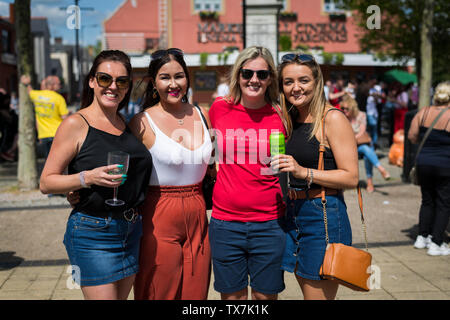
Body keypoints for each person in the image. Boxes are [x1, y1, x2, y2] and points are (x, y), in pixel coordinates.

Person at [39, 50, 153, 299]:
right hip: (92, 232)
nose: (113, 86)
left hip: (131, 229)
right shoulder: (75, 124)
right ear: (92, 81)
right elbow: (46, 182)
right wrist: (85, 178)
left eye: (121, 81)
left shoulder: (126, 123)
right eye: (105, 79)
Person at [272, 52, 358, 300]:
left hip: (323, 216)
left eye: (303, 80)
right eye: (288, 82)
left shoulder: (332, 118)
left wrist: (303, 172)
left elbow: (351, 177)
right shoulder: (290, 119)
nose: (296, 88)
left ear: (317, 82)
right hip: (293, 213)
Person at [130, 48, 213, 300]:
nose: (173, 84)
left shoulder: (202, 114)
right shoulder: (141, 122)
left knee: (196, 294)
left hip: (199, 211)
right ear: (154, 82)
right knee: (159, 291)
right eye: (165, 77)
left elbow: (215, 163)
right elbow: (121, 166)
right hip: (159, 213)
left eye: (179, 76)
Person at [208, 46, 287, 300]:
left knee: (264, 298)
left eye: (262, 74)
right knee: (233, 299)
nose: (254, 79)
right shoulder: (219, 109)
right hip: (225, 224)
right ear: (237, 75)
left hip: (270, 223)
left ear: (270, 78)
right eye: (247, 73)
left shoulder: (282, 114)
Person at [408, 81, 450, 256]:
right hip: (445, 164)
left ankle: (422, 237)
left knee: (427, 200)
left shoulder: (423, 112)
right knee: (444, 203)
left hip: (424, 162)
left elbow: (412, 136)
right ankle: (436, 242)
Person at [341, 94, 391, 193]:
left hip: (359, 145)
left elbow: (362, 132)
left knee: (366, 151)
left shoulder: (361, 115)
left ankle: (370, 182)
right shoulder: (342, 117)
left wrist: (352, 138)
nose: (344, 110)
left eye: (347, 108)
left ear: (353, 108)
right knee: (367, 150)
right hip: (348, 147)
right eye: (343, 108)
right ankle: (380, 169)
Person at [21, 74, 69, 159]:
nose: (60, 85)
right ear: (51, 86)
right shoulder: (59, 98)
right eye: (58, 84)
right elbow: (65, 118)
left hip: (43, 135)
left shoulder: (36, 95)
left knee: (48, 161)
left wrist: (27, 83)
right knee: (59, 160)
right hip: (57, 134)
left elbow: (29, 91)